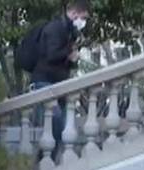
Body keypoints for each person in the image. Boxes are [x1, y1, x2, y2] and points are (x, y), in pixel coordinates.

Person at [30, 0, 91, 161]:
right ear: (74, 13)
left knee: (63, 124)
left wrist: (73, 59)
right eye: (83, 18)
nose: (83, 22)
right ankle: (43, 158)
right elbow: (51, 55)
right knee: (55, 118)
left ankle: (49, 158)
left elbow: (65, 60)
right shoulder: (54, 28)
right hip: (44, 81)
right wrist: (69, 53)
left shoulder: (70, 31)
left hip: (59, 83)